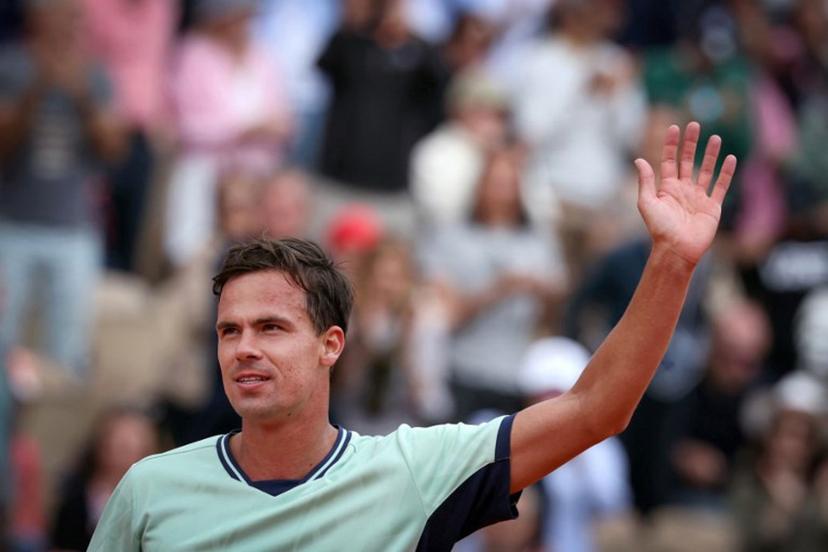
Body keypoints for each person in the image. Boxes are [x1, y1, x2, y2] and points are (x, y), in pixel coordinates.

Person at [89, 122, 737, 550]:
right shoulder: (148, 492)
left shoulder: (413, 473)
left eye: (272, 327)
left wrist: (671, 264)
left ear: (331, 345)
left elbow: (595, 409)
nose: (244, 348)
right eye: (229, 331)